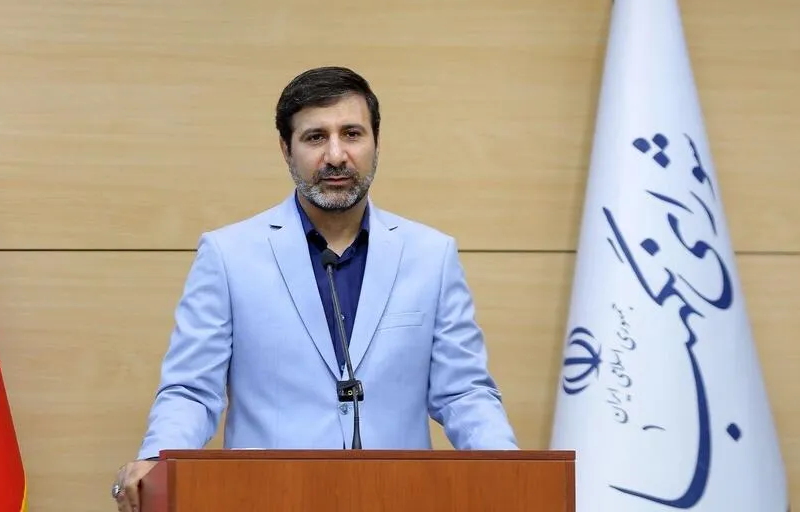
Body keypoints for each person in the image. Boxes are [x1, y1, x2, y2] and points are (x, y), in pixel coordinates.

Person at [110, 66, 517, 511]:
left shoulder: (431, 255)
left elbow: (464, 392)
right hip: (267, 500)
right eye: (315, 137)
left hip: (398, 497)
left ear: (376, 142)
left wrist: (511, 468)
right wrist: (157, 457)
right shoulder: (229, 255)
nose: (336, 155)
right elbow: (192, 391)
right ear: (286, 149)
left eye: (352, 134)